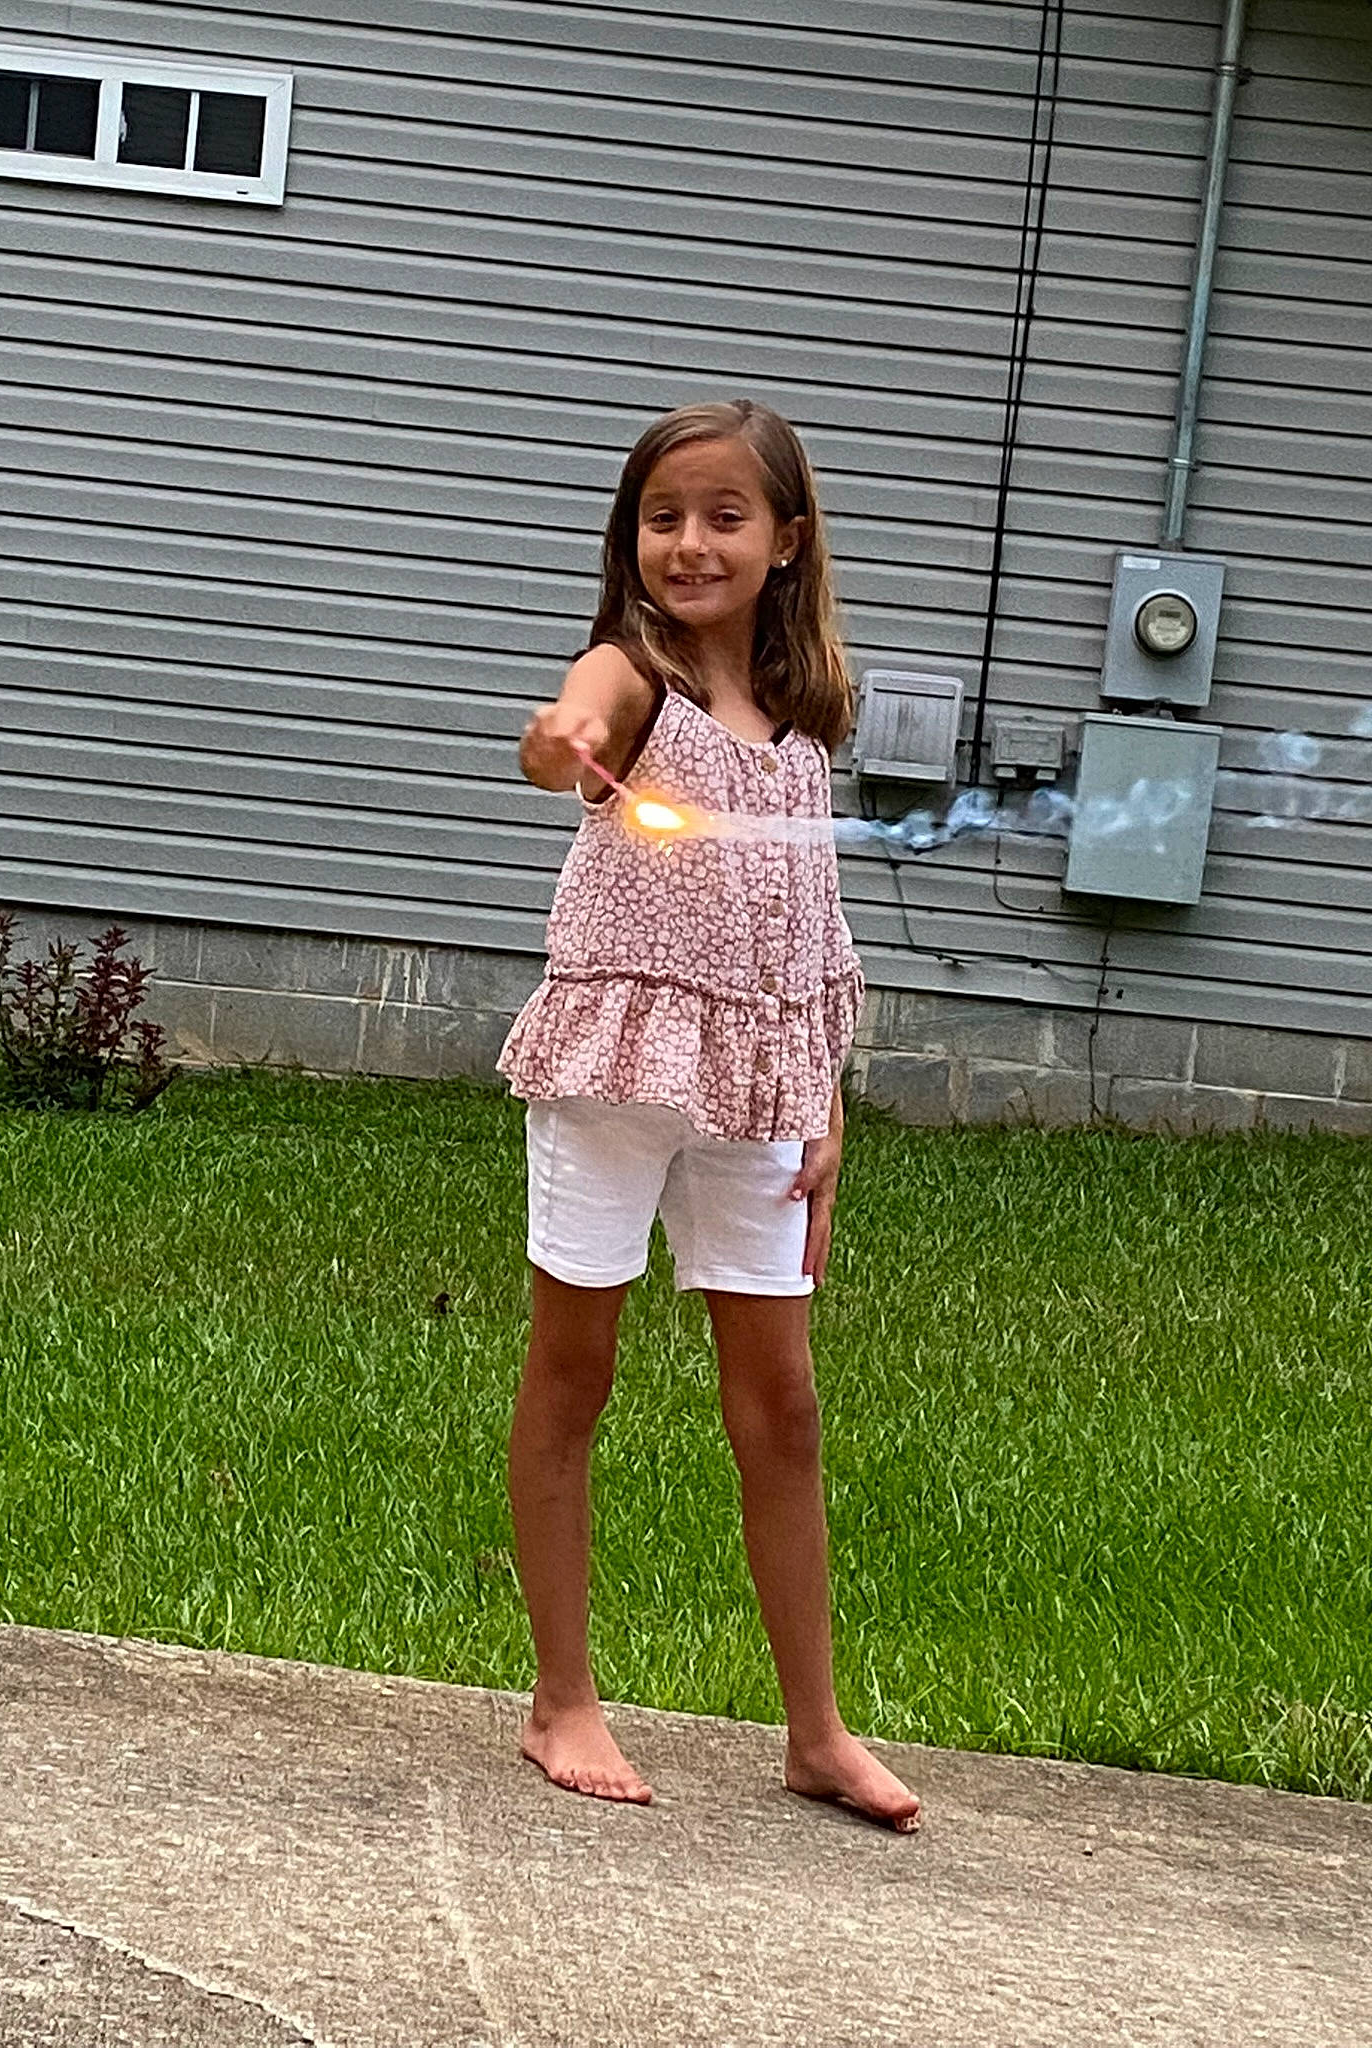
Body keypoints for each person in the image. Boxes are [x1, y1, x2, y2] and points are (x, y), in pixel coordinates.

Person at [496, 400, 921, 1834]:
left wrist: (829, 1096)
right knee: (578, 1368)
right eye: (664, 516)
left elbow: (814, 923)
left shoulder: (803, 720)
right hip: (619, 1066)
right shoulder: (634, 672)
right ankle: (562, 1698)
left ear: (788, 541)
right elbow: (571, 734)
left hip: (764, 1086)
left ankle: (815, 1732)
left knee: (784, 1406)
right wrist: (559, 739)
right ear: (632, 537)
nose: (690, 543)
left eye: (725, 517)